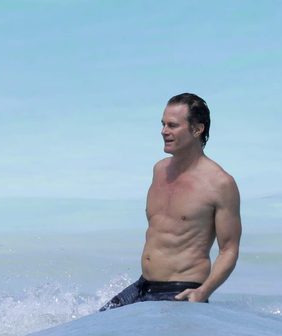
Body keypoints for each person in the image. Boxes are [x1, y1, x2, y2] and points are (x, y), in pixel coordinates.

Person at [100, 93, 241, 310]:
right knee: (95, 328)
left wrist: (203, 292)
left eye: (173, 125)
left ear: (197, 129)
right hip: (142, 286)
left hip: (180, 290)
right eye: (163, 124)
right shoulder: (160, 170)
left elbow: (229, 249)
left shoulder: (220, 184)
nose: (164, 131)